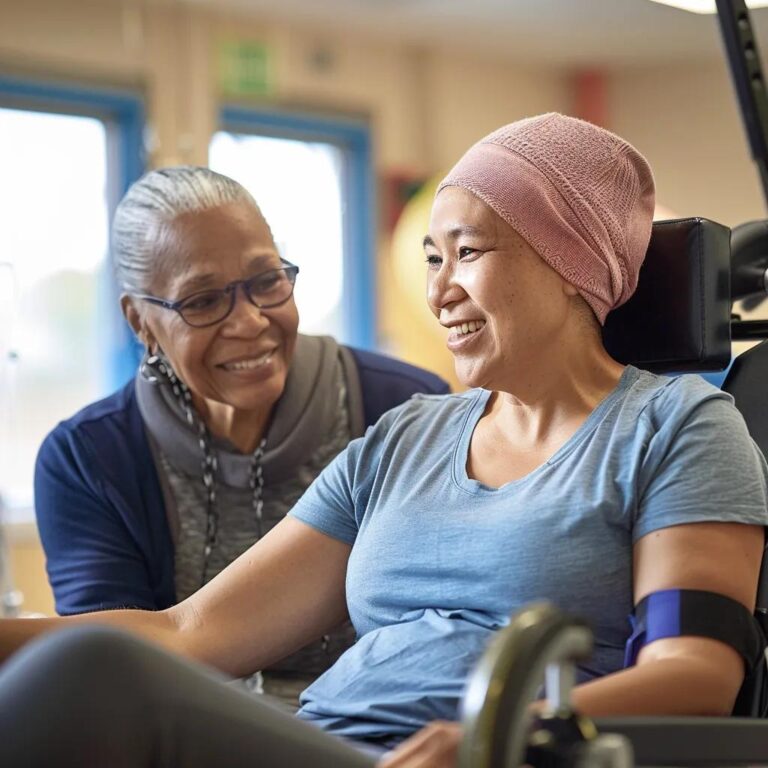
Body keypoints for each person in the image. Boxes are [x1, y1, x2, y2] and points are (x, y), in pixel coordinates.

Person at [2, 113, 767, 768]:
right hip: (323, 743)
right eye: (433, 259)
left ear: (572, 262)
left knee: (93, 677)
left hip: (474, 751)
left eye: (466, 254)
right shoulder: (404, 438)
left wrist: (498, 734)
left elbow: (697, 673)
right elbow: (190, 631)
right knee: (90, 671)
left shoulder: (676, 428)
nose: (437, 291)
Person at [32, 166, 449, 706]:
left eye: (267, 281)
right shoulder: (87, 458)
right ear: (140, 321)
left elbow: (448, 624)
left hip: (379, 731)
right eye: (202, 301)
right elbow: (118, 677)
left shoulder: (404, 409)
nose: (250, 322)